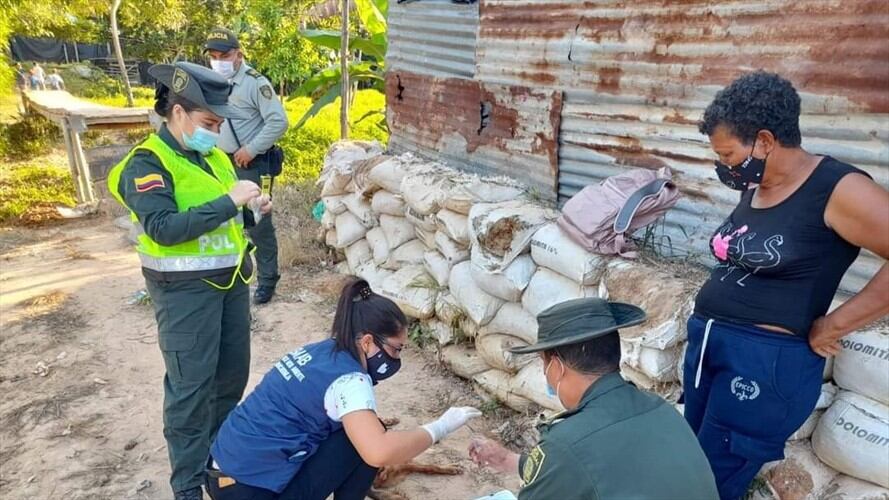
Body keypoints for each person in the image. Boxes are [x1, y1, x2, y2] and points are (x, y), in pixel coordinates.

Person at [684, 70, 889, 499]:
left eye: (727, 155)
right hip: (711, 350)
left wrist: (834, 325)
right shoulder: (757, 185)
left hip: (763, 367)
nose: (723, 166)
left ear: (763, 141)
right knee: (689, 463)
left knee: (707, 484)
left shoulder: (837, 189)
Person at [107, 61, 270, 500]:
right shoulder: (146, 163)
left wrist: (252, 207)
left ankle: (218, 464)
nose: (215, 133)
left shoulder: (212, 156)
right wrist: (228, 200)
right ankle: (187, 485)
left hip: (230, 288)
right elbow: (162, 226)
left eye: (218, 125)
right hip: (185, 298)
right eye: (208, 123)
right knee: (190, 392)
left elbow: (227, 214)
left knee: (229, 383)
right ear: (178, 112)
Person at [206, 277, 482, 500]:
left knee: (355, 430)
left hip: (221, 475)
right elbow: (379, 453)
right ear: (367, 342)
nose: (397, 358)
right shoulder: (350, 381)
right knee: (367, 440)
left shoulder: (321, 351)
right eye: (396, 349)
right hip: (250, 491)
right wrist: (441, 427)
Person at [469, 298, 719, 500]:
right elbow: (600, 469)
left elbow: (575, 461)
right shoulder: (661, 411)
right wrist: (507, 460)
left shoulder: (567, 443)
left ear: (556, 366)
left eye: (543, 363)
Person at [205, 27, 289, 305]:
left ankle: (267, 281)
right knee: (229, 219)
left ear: (238, 54)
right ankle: (236, 273)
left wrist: (250, 149)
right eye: (214, 56)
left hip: (252, 163)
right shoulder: (213, 80)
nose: (219, 61)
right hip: (223, 162)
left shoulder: (255, 83)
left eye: (225, 55)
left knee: (258, 222)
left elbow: (278, 121)